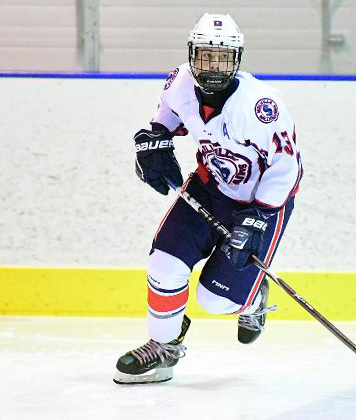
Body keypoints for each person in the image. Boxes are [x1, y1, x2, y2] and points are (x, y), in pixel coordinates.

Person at [113, 12, 303, 385]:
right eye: (205, 56)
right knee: (164, 265)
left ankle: (252, 300)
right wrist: (157, 138)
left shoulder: (261, 107)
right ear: (191, 55)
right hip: (208, 187)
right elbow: (169, 112)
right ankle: (164, 348)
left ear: (237, 59)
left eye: (222, 57)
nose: (213, 66)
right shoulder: (180, 82)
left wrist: (257, 217)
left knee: (215, 301)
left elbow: (287, 169)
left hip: (260, 206)